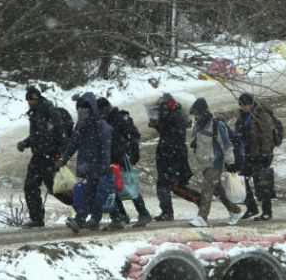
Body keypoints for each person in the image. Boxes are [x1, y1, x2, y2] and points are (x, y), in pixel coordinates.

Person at [57, 92, 112, 232]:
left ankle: (82, 220)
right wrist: (63, 159)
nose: (81, 111)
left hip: (98, 166)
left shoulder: (101, 127)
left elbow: (105, 149)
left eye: (84, 108)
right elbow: (73, 143)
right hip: (88, 165)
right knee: (94, 194)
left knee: (96, 194)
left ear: (91, 109)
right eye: (80, 108)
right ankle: (94, 220)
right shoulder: (81, 126)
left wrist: (105, 167)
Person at [97, 97, 153, 229]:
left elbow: (134, 135)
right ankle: (121, 216)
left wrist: (129, 151)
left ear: (106, 108)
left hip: (122, 158)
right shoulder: (105, 120)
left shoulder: (120, 118)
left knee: (129, 186)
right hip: (110, 158)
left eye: (100, 111)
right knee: (112, 188)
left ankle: (143, 214)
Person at [187, 98, 244, 227]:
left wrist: (231, 163)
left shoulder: (217, 125)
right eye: (194, 114)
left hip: (215, 163)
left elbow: (226, 145)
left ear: (203, 112)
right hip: (204, 163)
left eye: (197, 114)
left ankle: (202, 217)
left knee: (207, 188)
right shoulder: (198, 125)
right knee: (218, 191)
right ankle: (235, 210)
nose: (195, 117)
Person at [17, 86, 68, 228]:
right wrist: (25, 143)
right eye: (27, 101)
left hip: (50, 156)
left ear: (36, 98)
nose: (29, 103)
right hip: (38, 155)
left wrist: (61, 155)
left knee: (56, 188)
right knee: (30, 186)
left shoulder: (49, 111)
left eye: (30, 100)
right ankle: (37, 218)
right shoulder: (35, 113)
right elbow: (36, 136)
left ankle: (82, 209)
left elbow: (61, 132)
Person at [151, 93, 201, 221]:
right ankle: (200, 200)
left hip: (169, 155)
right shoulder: (179, 115)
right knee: (175, 186)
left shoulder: (170, 116)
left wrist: (156, 123)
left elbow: (167, 132)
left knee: (167, 185)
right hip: (175, 154)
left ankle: (169, 212)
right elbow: (168, 132)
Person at [234, 93, 275, 221]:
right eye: (241, 105)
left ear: (251, 104)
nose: (242, 107)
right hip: (248, 154)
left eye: (245, 104)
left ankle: (267, 212)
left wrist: (264, 154)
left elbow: (266, 136)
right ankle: (251, 207)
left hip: (261, 154)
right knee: (241, 179)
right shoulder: (243, 116)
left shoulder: (261, 115)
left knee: (262, 183)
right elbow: (239, 130)